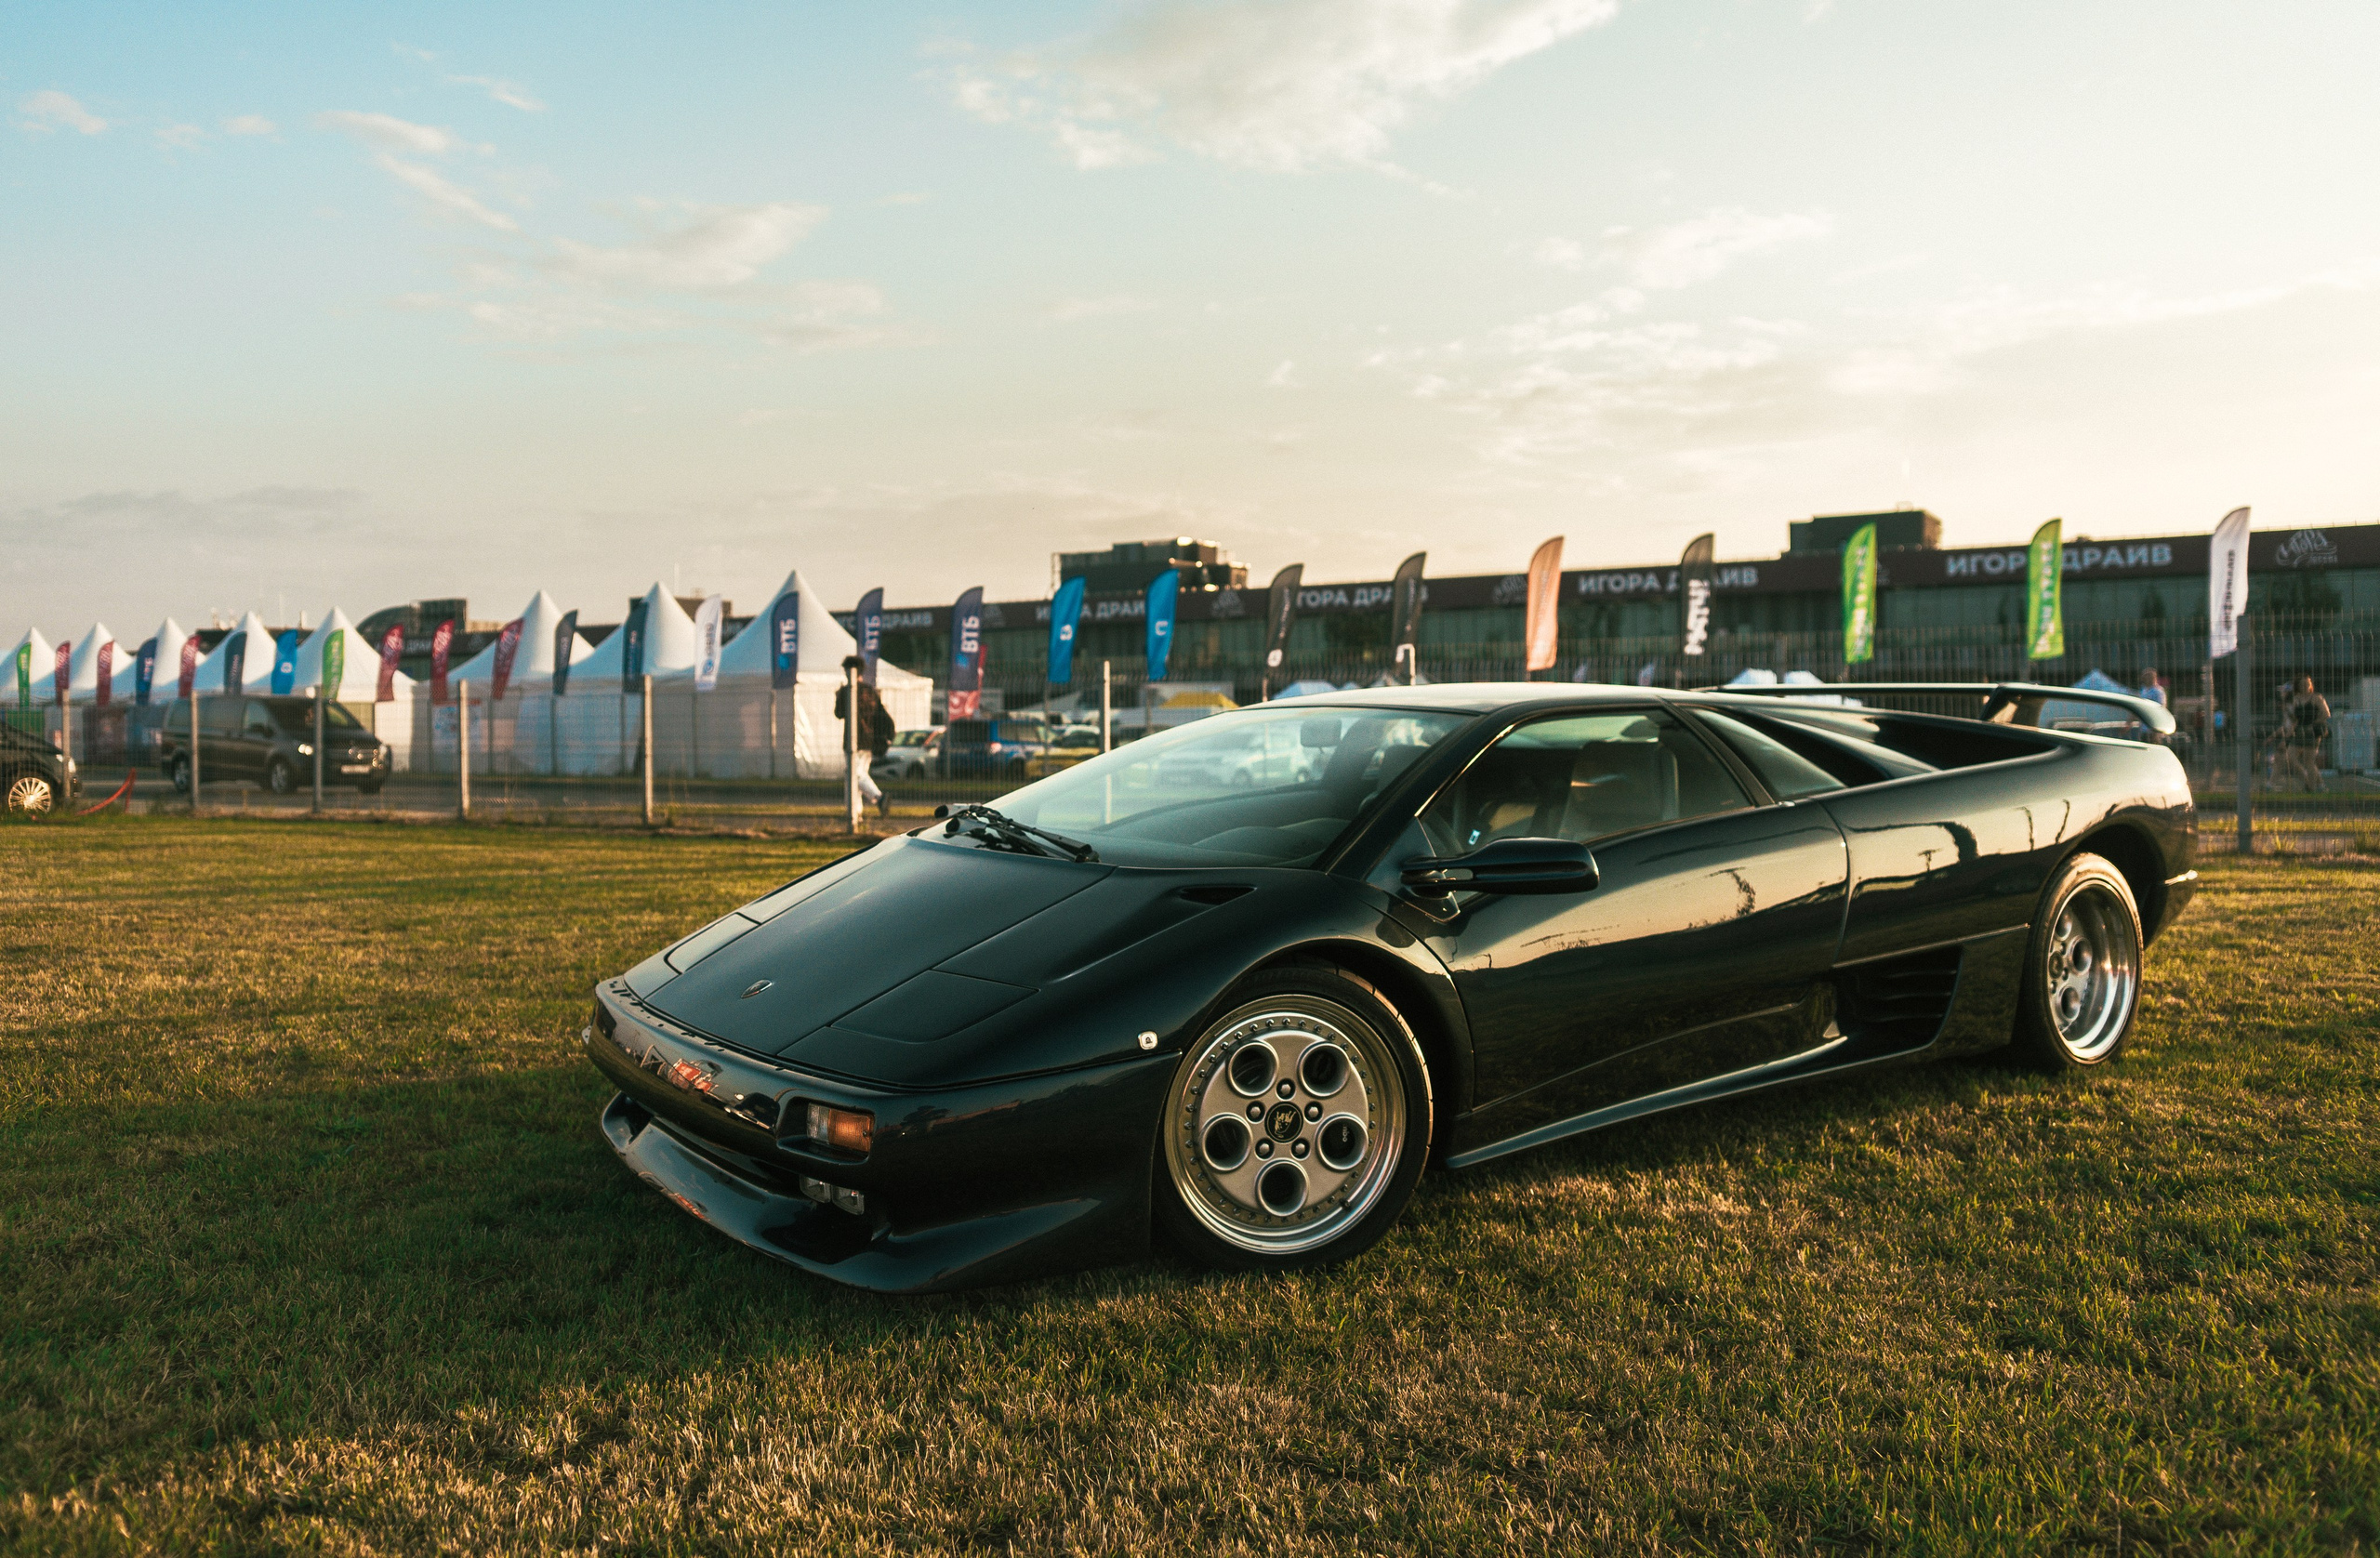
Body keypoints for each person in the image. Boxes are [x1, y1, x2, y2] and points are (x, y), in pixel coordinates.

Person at [834, 676, 899, 817]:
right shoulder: (870, 691)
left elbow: (838, 713)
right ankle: (855, 812)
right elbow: (881, 712)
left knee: (854, 775)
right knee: (858, 774)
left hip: (853, 739)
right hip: (870, 740)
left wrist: (838, 697)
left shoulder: (847, 691)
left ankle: (878, 798)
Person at [2281, 675, 2330, 792]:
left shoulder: (2316, 698)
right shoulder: (2296, 699)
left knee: (2309, 761)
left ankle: (2313, 788)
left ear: (2310, 685)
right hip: (2299, 731)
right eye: (2302, 684)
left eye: (2307, 684)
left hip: (2312, 732)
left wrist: (2313, 724)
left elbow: (2325, 714)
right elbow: (2294, 718)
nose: (2305, 686)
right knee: (2291, 758)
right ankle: (2312, 782)